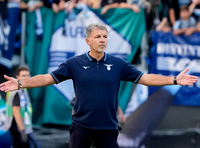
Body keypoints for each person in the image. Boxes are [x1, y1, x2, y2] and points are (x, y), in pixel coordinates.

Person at [0, 23, 198, 148]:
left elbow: (145, 78)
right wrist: (20, 83)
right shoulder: (74, 64)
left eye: (105, 37)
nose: (102, 40)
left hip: (108, 128)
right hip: (81, 127)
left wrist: (173, 79)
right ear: (88, 41)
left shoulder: (119, 64)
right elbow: (46, 78)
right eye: (98, 37)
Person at [3, 66, 41, 148]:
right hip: (18, 126)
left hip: (20, 125)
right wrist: (22, 130)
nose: (26, 77)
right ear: (17, 77)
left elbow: (7, 100)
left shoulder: (22, 89)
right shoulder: (17, 91)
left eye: (28, 75)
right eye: (23, 75)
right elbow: (16, 111)